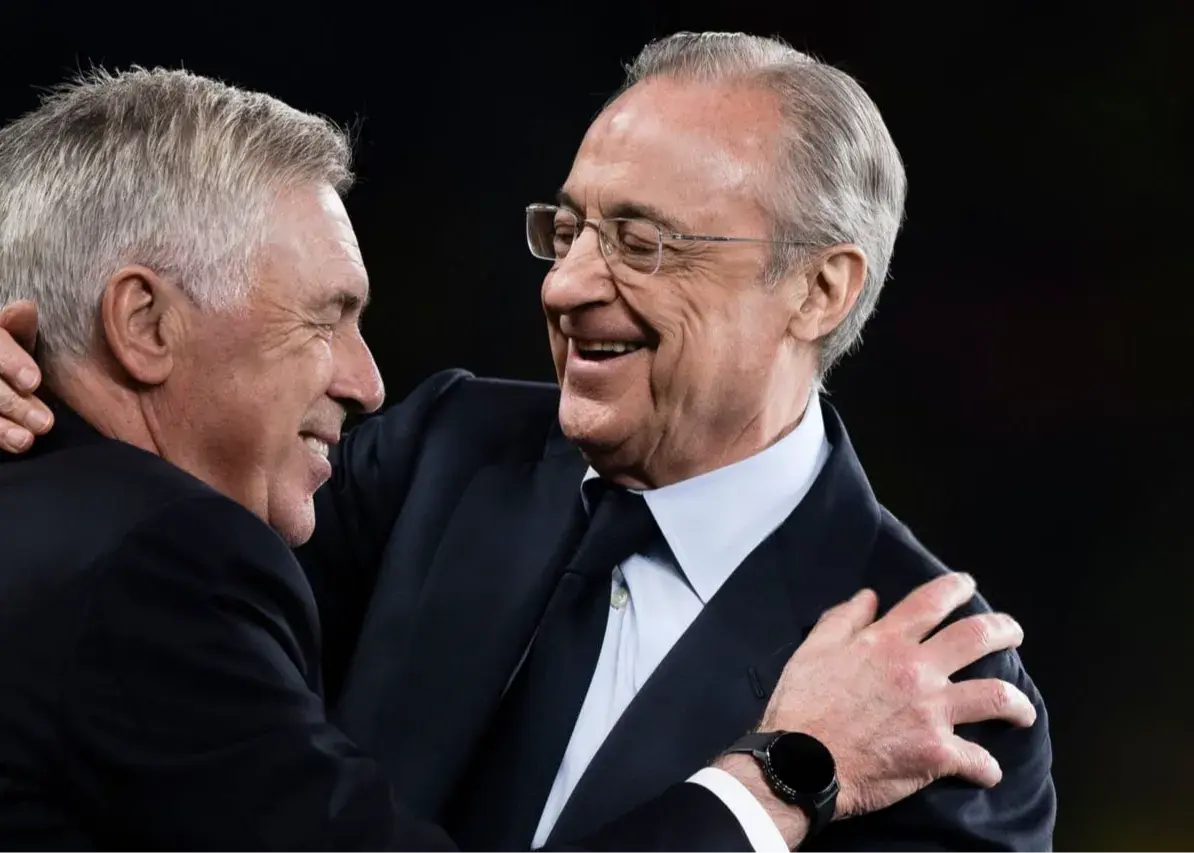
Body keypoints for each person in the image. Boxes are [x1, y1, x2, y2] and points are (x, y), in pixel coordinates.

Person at [0, 36, 1051, 853]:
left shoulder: (930, 687)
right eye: (569, 230)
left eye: (640, 242)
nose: (567, 283)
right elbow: (111, 580)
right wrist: (33, 366)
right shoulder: (437, 455)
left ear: (820, 288)